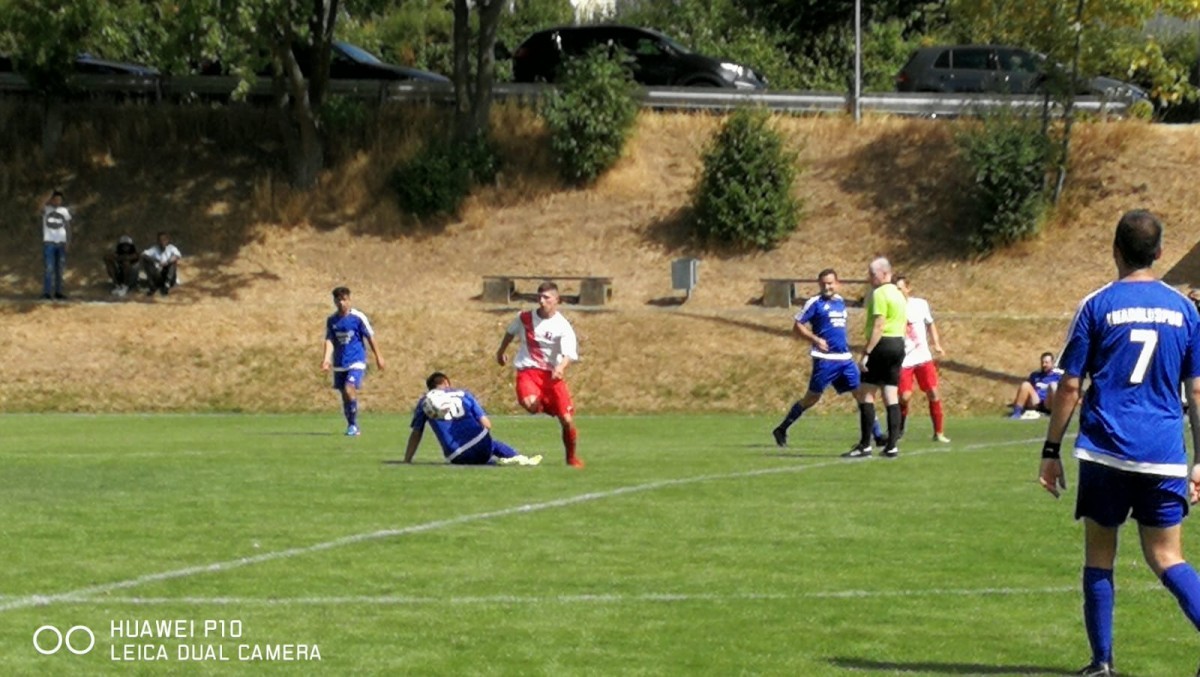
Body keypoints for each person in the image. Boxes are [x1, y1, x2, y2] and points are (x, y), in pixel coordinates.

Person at [1037, 209, 1200, 677]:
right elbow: (1197, 389)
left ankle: (1102, 662)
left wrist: (1050, 451)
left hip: (1106, 449)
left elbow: (1069, 386)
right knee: (1169, 557)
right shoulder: (1185, 309)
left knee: (1100, 554)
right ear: (1161, 253)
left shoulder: (1097, 305)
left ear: (1114, 249)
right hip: (1164, 453)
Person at [772, 268, 884, 448]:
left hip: (845, 358)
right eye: (823, 283)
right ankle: (782, 428)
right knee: (811, 398)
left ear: (837, 284)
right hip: (825, 359)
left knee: (862, 394)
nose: (827, 287)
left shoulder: (840, 302)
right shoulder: (814, 303)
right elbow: (797, 326)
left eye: (830, 283)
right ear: (819, 284)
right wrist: (815, 339)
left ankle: (878, 435)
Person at [495, 281, 583, 468]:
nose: (542, 301)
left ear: (557, 300)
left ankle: (571, 458)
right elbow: (510, 332)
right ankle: (542, 403)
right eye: (539, 297)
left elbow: (569, 353)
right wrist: (500, 351)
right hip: (528, 371)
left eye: (546, 298)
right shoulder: (525, 318)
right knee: (531, 405)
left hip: (552, 376)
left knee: (567, 421)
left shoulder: (562, 326)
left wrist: (560, 367)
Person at [404, 372, 542, 466]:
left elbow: (417, 432)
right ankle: (516, 458)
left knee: (473, 460)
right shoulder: (464, 394)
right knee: (493, 445)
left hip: (456, 455)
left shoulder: (425, 402)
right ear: (446, 382)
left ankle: (496, 463)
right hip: (481, 445)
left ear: (431, 389)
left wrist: (407, 460)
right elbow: (487, 424)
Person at [843, 256, 907, 459]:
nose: (870, 278)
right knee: (890, 395)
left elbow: (879, 324)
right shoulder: (899, 294)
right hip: (898, 344)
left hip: (882, 344)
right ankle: (892, 445)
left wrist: (867, 352)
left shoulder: (879, 293)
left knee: (866, 394)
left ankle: (864, 445)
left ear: (885, 274)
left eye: (873, 274)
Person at [321, 286, 386, 436]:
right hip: (339, 362)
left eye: (344, 299)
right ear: (334, 301)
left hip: (356, 360)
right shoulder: (332, 320)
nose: (341, 303)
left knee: (349, 388)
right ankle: (352, 425)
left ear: (349, 300)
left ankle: (354, 426)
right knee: (344, 394)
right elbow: (330, 340)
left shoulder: (358, 318)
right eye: (338, 300)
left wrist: (378, 356)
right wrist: (326, 360)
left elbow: (370, 336)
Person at [894, 274, 950, 443]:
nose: (897, 292)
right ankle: (900, 427)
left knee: (933, 392)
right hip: (904, 360)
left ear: (908, 288)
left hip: (923, 357)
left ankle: (938, 433)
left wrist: (937, 344)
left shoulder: (920, 304)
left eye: (900, 288)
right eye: (894, 289)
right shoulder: (892, 307)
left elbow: (930, 323)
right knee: (904, 397)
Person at [1009, 352, 1063, 419]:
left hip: (1049, 402)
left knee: (1053, 385)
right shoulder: (1035, 375)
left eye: (1046, 362)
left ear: (1052, 363)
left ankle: (1057, 414)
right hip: (1036, 402)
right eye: (1042, 362)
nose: (1044, 365)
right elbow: (1026, 391)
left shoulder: (1059, 375)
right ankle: (1016, 413)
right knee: (1025, 385)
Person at [40, 189, 71, 300]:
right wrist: (48, 196)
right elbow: (40, 205)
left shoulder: (64, 211)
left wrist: (68, 241)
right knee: (49, 267)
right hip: (49, 242)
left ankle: (58, 291)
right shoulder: (47, 210)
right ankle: (47, 292)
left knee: (60, 268)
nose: (58, 201)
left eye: (59, 199)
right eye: (55, 199)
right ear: (52, 200)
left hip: (61, 243)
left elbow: (67, 227)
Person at [141, 231, 183, 296]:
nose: (162, 242)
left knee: (173, 262)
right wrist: (156, 261)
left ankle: (167, 284)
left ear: (167, 240)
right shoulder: (154, 249)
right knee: (146, 262)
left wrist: (167, 262)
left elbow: (177, 255)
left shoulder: (171, 248)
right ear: (158, 241)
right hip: (158, 275)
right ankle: (152, 285)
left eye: (164, 240)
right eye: (160, 240)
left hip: (169, 275)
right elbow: (143, 254)